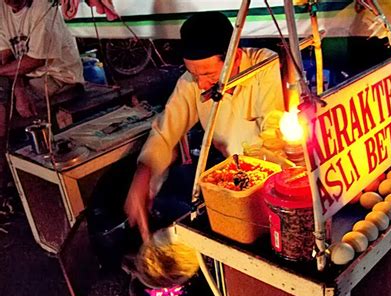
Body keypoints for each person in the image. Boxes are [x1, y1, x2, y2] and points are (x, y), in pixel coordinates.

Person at [124, 11, 285, 242]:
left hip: (270, 176)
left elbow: (272, 124)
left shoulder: (263, 63)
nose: (200, 84)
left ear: (235, 57)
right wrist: (143, 174)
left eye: (208, 74)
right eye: (193, 73)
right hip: (231, 180)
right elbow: (165, 132)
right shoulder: (192, 82)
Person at [0, 0, 84, 204]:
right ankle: (7, 175)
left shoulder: (43, 5)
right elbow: (5, 57)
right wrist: (18, 89)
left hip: (59, 76)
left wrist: (7, 79)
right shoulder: (2, 9)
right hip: (26, 77)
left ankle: (4, 183)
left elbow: (37, 60)